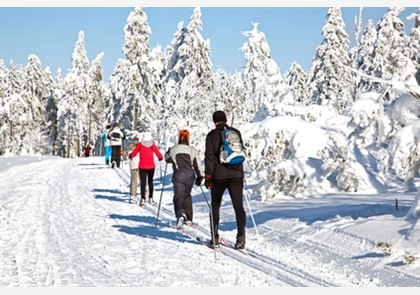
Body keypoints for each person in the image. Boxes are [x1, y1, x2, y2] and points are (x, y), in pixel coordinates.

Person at [204, 110, 247, 249]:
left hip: (218, 177)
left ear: (214, 121)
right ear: (225, 119)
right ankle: (241, 237)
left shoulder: (211, 135)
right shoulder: (235, 132)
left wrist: (208, 176)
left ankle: (215, 236)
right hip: (236, 175)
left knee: (215, 206)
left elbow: (209, 157)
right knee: (238, 207)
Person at [165, 130, 204, 229]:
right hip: (190, 176)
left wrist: (168, 152)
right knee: (187, 196)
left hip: (178, 175)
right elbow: (198, 164)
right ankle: (189, 218)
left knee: (178, 196)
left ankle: (180, 214)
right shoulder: (193, 150)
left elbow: (167, 159)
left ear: (179, 137)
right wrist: (200, 176)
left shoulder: (173, 149)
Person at [129, 132, 163, 206]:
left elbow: (134, 153)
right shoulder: (152, 145)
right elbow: (158, 153)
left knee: (143, 183)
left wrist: (130, 155)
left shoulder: (140, 145)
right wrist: (160, 158)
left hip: (142, 166)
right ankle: (150, 198)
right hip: (151, 166)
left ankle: (143, 199)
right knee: (150, 182)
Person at [127, 135, 140, 202]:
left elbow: (127, 157)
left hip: (133, 165)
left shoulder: (130, 148)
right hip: (140, 165)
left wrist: (123, 154)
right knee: (142, 180)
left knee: (134, 180)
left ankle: (133, 194)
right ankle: (145, 193)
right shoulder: (141, 147)